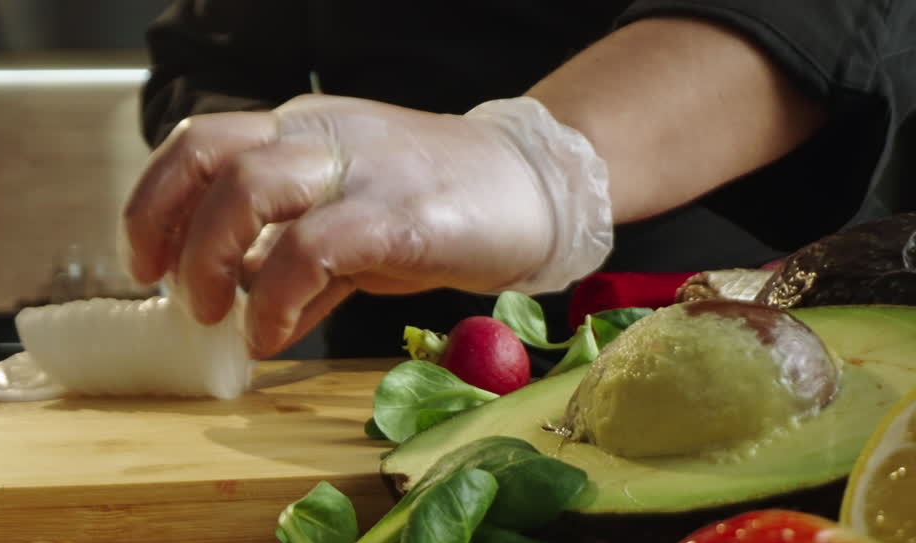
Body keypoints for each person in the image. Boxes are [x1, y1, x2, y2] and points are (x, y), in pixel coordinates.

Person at [122, 2, 916, 359]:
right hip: (393, 364)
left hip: (748, 330)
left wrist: (543, 165)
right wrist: (279, 180)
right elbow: (212, 58)